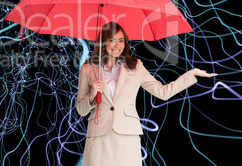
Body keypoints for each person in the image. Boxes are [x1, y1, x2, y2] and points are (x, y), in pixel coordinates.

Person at [76, 22, 217, 166]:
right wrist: (92, 94)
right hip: (99, 135)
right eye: (112, 40)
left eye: (121, 40)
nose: (117, 45)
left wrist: (191, 75)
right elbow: (81, 110)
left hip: (127, 134)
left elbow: (162, 92)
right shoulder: (88, 68)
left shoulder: (135, 65)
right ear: (103, 42)